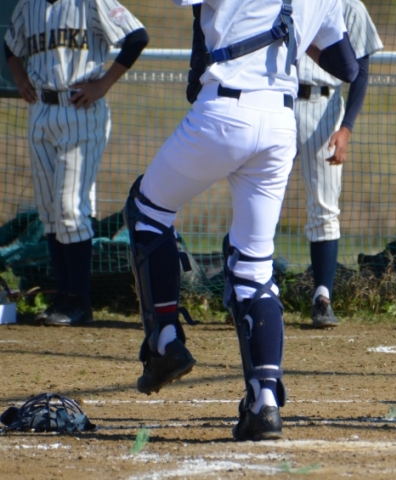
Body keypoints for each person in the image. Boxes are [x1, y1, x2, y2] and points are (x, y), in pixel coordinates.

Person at [123, 0, 358, 442]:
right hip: (280, 123)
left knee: (148, 210)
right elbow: (346, 65)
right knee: (254, 265)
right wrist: (291, 34)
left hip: (224, 112)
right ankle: (264, 403)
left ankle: (164, 341)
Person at [4, 0, 149, 326]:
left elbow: (137, 36)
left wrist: (103, 84)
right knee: (49, 211)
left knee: (70, 207)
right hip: (41, 109)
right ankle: (63, 299)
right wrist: (19, 77)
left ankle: (80, 301)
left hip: (80, 110)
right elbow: (10, 46)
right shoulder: (28, 4)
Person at [294, 0, 383, 328]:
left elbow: (360, 72)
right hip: (276, 97)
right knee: (254, 194)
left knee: (324, 206)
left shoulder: (350, 6)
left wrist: (346, 127)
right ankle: (244, 291)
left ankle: (322, 297)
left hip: (323, 104)